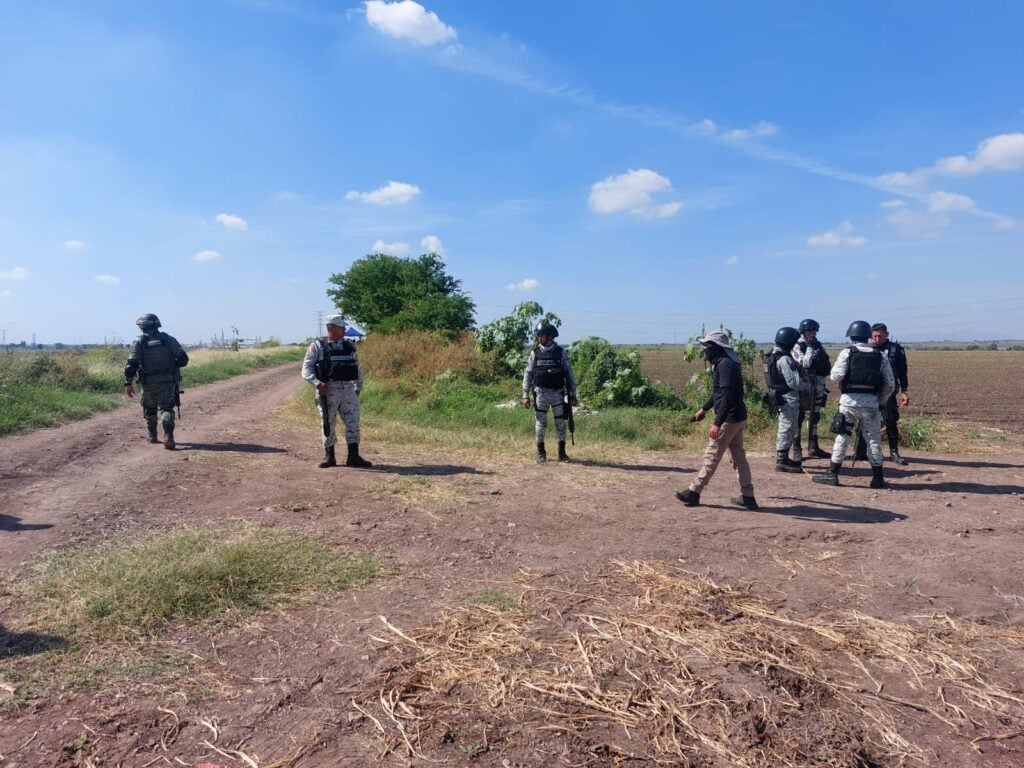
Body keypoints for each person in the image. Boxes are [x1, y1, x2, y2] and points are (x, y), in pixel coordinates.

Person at [675, 331, 757, 510]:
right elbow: (719, 392)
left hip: (729, 418)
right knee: (739, 458)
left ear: (716, 348)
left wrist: (717, 423)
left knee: (712, 455)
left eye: (706, 347)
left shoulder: (725, 365)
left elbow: (727, 396)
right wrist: (704, 409)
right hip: (738, 417)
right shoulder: (728, 363)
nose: (704, 350)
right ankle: (748, 496)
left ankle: (694, 491)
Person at [813, 320, 895, 488]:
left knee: (842, 436)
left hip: (849, 402)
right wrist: (880, 401)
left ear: (851, 335)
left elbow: (836, 376)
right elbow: (890, 385)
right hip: (871, 403)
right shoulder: (881, 355)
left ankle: (833, 474)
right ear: (867, 335)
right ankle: (878, 478)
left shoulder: (847, 352)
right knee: (873, 439)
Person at [301, 315, 372, 469]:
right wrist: (318, 384)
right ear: (330, 328)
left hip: (348, 389)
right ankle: (329, 457)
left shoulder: (349, 345)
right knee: (328, 423)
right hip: (328, 390)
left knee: (353, 422)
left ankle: (353, 457)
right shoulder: (318, 346)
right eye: (341, 327)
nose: (344, 329)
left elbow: (357, 367)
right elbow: (306, 369)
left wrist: (358, 387)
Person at [124, 313, 189, 450]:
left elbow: (131, 365)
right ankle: (168, 437)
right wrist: (172, 366)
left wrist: (128, 383)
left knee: (150, 408)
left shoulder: (139, 341)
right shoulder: (168, 339)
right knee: (166, 408)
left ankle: (152, 435)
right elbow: (183, 359)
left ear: (142, 327)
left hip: (148, 382)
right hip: (168, 380)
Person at [522, 321, 578, 463]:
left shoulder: (560, 353)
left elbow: (569, 373)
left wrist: (573, 394)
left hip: (558, 393)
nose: (538, 338)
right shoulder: (535, 353)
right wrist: (525, 395)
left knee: (560, 423)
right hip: (540, 393)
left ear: (549, 336)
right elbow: (528, 374)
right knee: (540, 424)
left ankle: (562, 453)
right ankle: (541, 452)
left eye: (541, 335)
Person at [766, 326, 809, 473]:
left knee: (787, 427)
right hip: (788, 397)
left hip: (779, 396)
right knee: (786, 427)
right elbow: (794, 383)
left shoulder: (771, 356)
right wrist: (807, 385)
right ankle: (782, 460)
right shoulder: (784, 359)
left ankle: (784, 457)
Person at [792, 318, 831, 460]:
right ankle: (796, 448)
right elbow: (805, 363)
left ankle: (813, 447)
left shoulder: (818, 345)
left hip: (818, 384)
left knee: (815, 415)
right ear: (803, 331)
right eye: (809, 330)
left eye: (814, 331)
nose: (812, 333)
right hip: (803, 385)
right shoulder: (798, 345)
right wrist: (809, 348)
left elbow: (825, 363)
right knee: (799, 416)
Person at [871, 323, 910, 465]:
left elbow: (902, 372)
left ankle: (894, 452)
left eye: (880, 335)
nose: (877, 339)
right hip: (870, 392)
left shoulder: (896, 349)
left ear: (887, 334)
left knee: (890, 421)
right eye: (874, 336)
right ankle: (863, 452)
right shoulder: (867, 348)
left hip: (889, 392)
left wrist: (905, 391)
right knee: (866, 421)